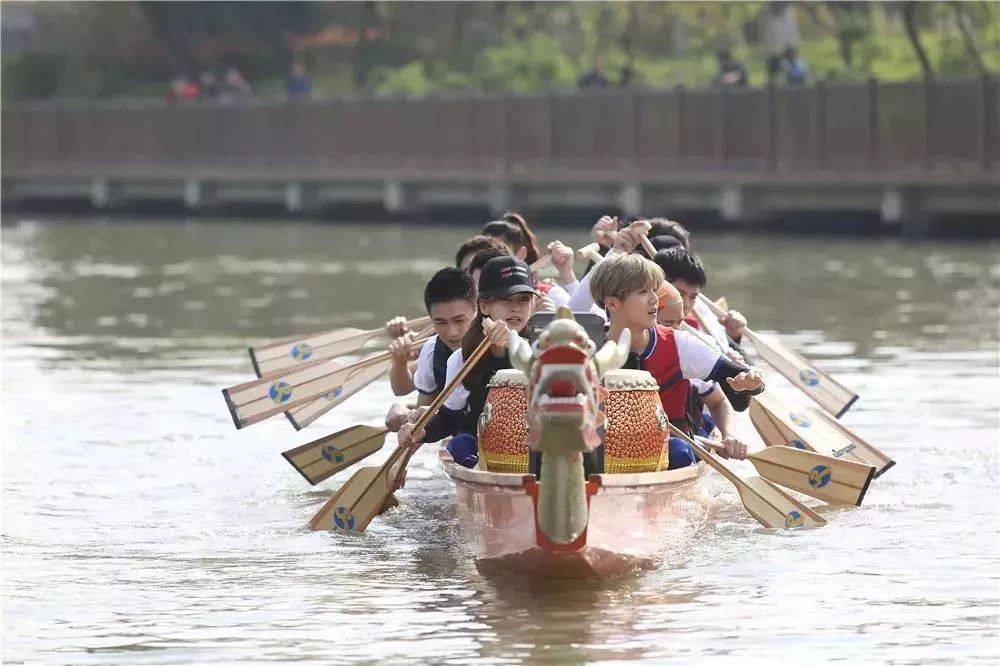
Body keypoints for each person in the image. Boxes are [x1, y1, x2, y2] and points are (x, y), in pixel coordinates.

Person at [589, 253, 764, 468]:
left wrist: (750, 384)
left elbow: (735, 385)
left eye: (654, 290)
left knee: (679, 451)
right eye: (644, 292)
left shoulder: (680, 344)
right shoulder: (585, 348)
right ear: (613, 304)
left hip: (666, 454)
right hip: (605, 454)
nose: (654, 299)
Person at [399, 256, 539, 467]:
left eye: (524, 299)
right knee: (460, 444)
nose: (516, 308)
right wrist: (420, 431)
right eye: (506, 300)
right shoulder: (462, 358)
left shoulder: (546, 347)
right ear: (483, 306)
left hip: (536, 444)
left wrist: (511, 340)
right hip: (482, 448)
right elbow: (448, 418)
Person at [657, 281, 750, 459]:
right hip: (641, 445)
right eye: (669, 324)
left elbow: (720, 402)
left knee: (679, 451)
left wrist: (729, 435)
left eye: (679, 323)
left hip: (683, 444)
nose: (676, 332)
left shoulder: (685, 350)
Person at [384, 268, 477, 430]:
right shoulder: (432, 349)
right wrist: (408, 421)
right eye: (440, 322)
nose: (452, 332)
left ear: (478, 308)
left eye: (459, 320)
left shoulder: (499, 346)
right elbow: (421, 425)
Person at [653, 247, 747, 346]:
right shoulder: (641, 331)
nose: (686, 304)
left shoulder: (693, 327)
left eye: (693, 297)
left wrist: (732, 337)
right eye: (680, 294)